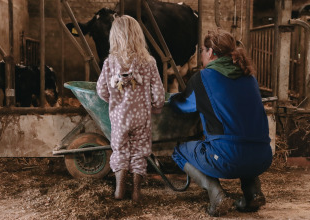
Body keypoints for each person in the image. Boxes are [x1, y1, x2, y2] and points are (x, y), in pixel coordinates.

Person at [169, 29, 273, 216]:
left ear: (210, 52)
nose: (201, 54)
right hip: (263, 157)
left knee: (179, 152)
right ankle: (252, 191)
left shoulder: (202, 78)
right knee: (242, 138)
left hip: (227, 159)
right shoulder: (249, 76)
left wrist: (170, 99)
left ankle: (215, 193)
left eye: (202, 50)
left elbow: (183, 106)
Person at [96, 15, 165, 202]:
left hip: (119, 118)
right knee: (139, 151)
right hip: (141, 116)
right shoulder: (149, 62)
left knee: (120, 150)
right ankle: (136, 192)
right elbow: (158, 92)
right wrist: (156, 107)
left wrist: (113, 100)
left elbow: (101, 89)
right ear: (138, 36)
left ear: (114, 37)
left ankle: (119, 190)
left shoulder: (110, 62)